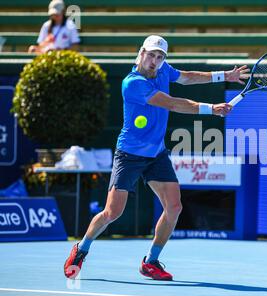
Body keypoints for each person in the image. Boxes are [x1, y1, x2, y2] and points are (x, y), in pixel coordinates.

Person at [63, 35, 249, 280]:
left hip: (156, 154)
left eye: (160, 57)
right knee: (112, 213)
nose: (155, 60)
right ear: (141, 53)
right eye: (151, 55)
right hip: (129, 155)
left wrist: (224, 76)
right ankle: (81, 248)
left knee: (174, 206)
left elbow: (187, 77)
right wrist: (210, 109)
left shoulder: (163, 71)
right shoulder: (133, 83)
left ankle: (151, 262)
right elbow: (171, 104)